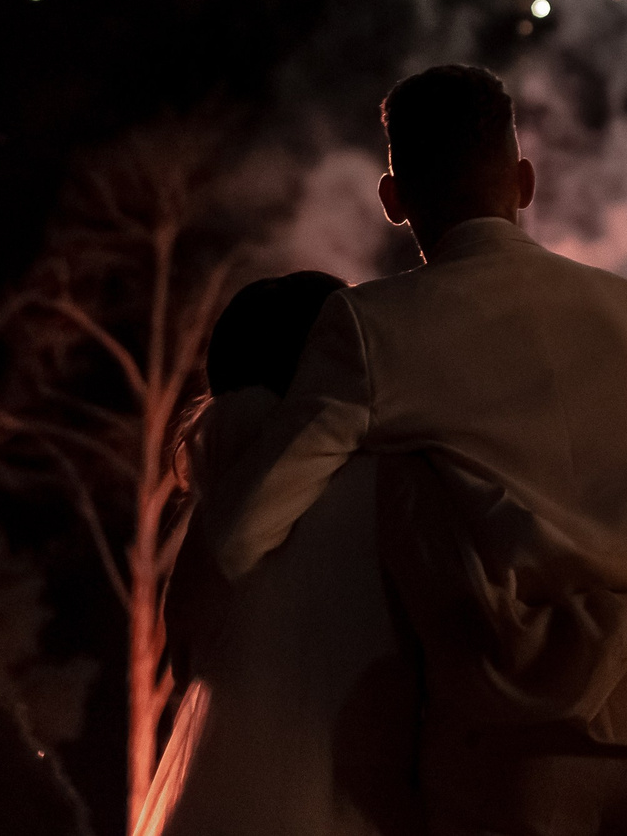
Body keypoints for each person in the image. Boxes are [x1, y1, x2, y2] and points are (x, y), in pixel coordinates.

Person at [213, 65, 627, 836]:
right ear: (524, 180)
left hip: (510, 758)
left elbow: (239, 534)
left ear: (394, 198)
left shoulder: (374, 329)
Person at [140, 271, 421, 836]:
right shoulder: (386, 488)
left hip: (227, 799)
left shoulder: (217, 511)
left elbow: (186, 657)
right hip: (370, 794)